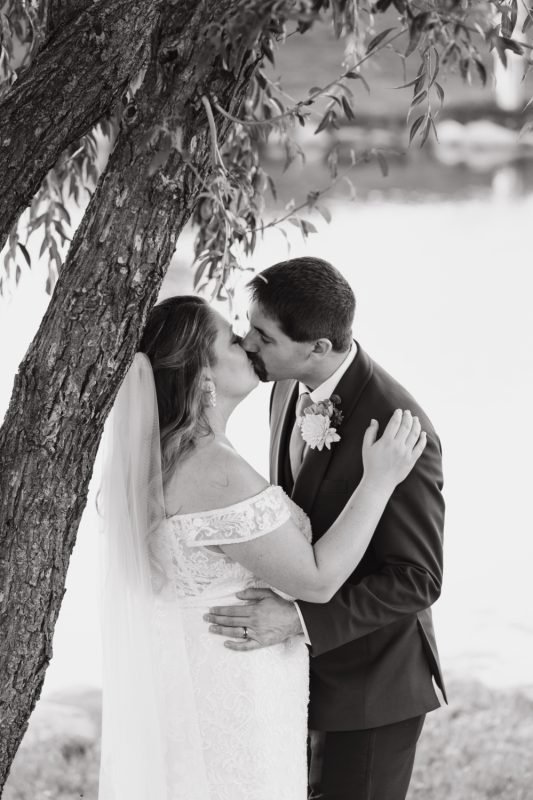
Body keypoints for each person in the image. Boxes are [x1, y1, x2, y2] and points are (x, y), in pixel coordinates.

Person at [98, 293, 426, 800]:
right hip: (235, 687)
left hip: (209, 672)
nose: (248, 344)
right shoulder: (213, 469)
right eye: (232, 339)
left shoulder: (169, 453)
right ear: (203, 375)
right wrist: (378, 479)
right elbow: (315, 580)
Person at [205, 257, 446, 800]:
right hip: (298, 679)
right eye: (247, 326)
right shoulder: (284, 385)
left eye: (262, 337)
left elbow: (416, 579)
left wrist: (297, 621)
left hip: (371, 689)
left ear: (317, 347)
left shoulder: (399, 429)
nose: (245, 343)